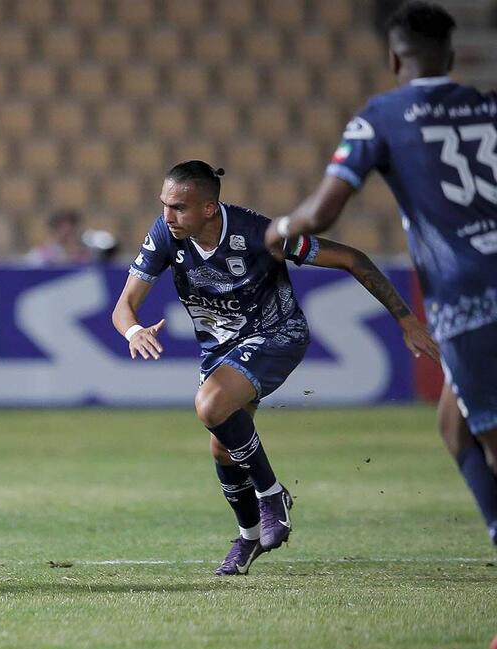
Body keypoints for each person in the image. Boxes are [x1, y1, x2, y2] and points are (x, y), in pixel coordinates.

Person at [113, 161, 438, 575]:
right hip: (221, 349)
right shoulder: (165, 235)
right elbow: (124, 306)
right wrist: (134, 331)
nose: (167, 216)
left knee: (210, 406)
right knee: (223, 446)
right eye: (164, 205)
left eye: (178, 207)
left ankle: (272, 495)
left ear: (209, 208)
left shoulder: (260, 236)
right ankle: (248, 538)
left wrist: (405, 319)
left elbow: (352, 258)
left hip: (277, 334)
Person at [265, 2, 497, 549]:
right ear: (452, 53)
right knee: (454, 425)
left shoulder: (382, 117)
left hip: (470, 296)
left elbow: (320, 215)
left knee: (489, 436)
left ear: (394, 58)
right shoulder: (487, 107)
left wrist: (278, 230)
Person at [26, 208, 99, 266]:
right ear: (53, 229)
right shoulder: (38, 256)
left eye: (71, 226)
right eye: (61, 227)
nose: (67, 230)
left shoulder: (88, 255)